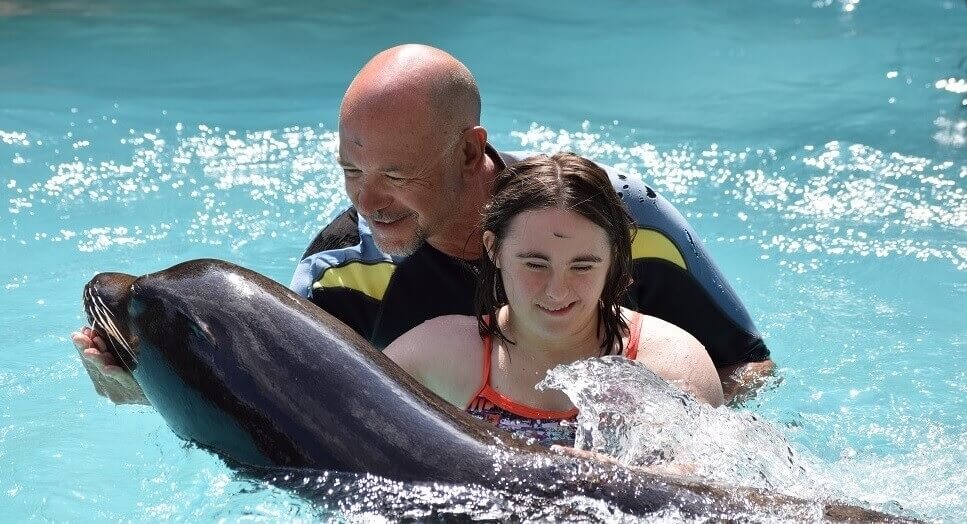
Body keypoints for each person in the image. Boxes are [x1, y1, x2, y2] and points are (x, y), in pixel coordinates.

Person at [73, 44, 773, 405]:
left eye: (396, 176)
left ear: (471, 151)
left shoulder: (612, 221)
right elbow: (290, 414)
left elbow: (746, 367)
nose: (367, 203)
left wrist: (654, 460)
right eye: (351, 172)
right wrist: (140, 384)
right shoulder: (342, 268)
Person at [384, 153, 723, 447]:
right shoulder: (433, 358)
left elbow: (699, 486)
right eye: (535, 264)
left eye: (582, 266)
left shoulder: (670, 364)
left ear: (615, 257)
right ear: (493, 249)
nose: (557, 291)